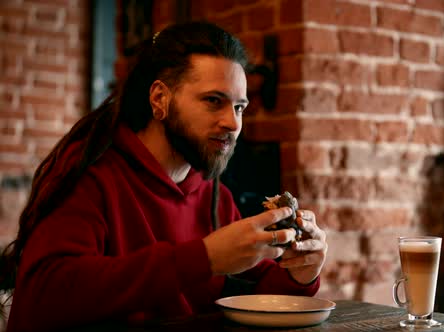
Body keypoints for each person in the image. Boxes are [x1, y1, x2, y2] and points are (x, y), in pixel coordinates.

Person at [0, 21, 328, 332]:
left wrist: (300, 272)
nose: (233, 122)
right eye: (214, 101)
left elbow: (260, 290)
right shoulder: (92, 175)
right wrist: (203, 258)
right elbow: (46, 293)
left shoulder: (213, 196)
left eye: (239, 107)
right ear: (160, 99)